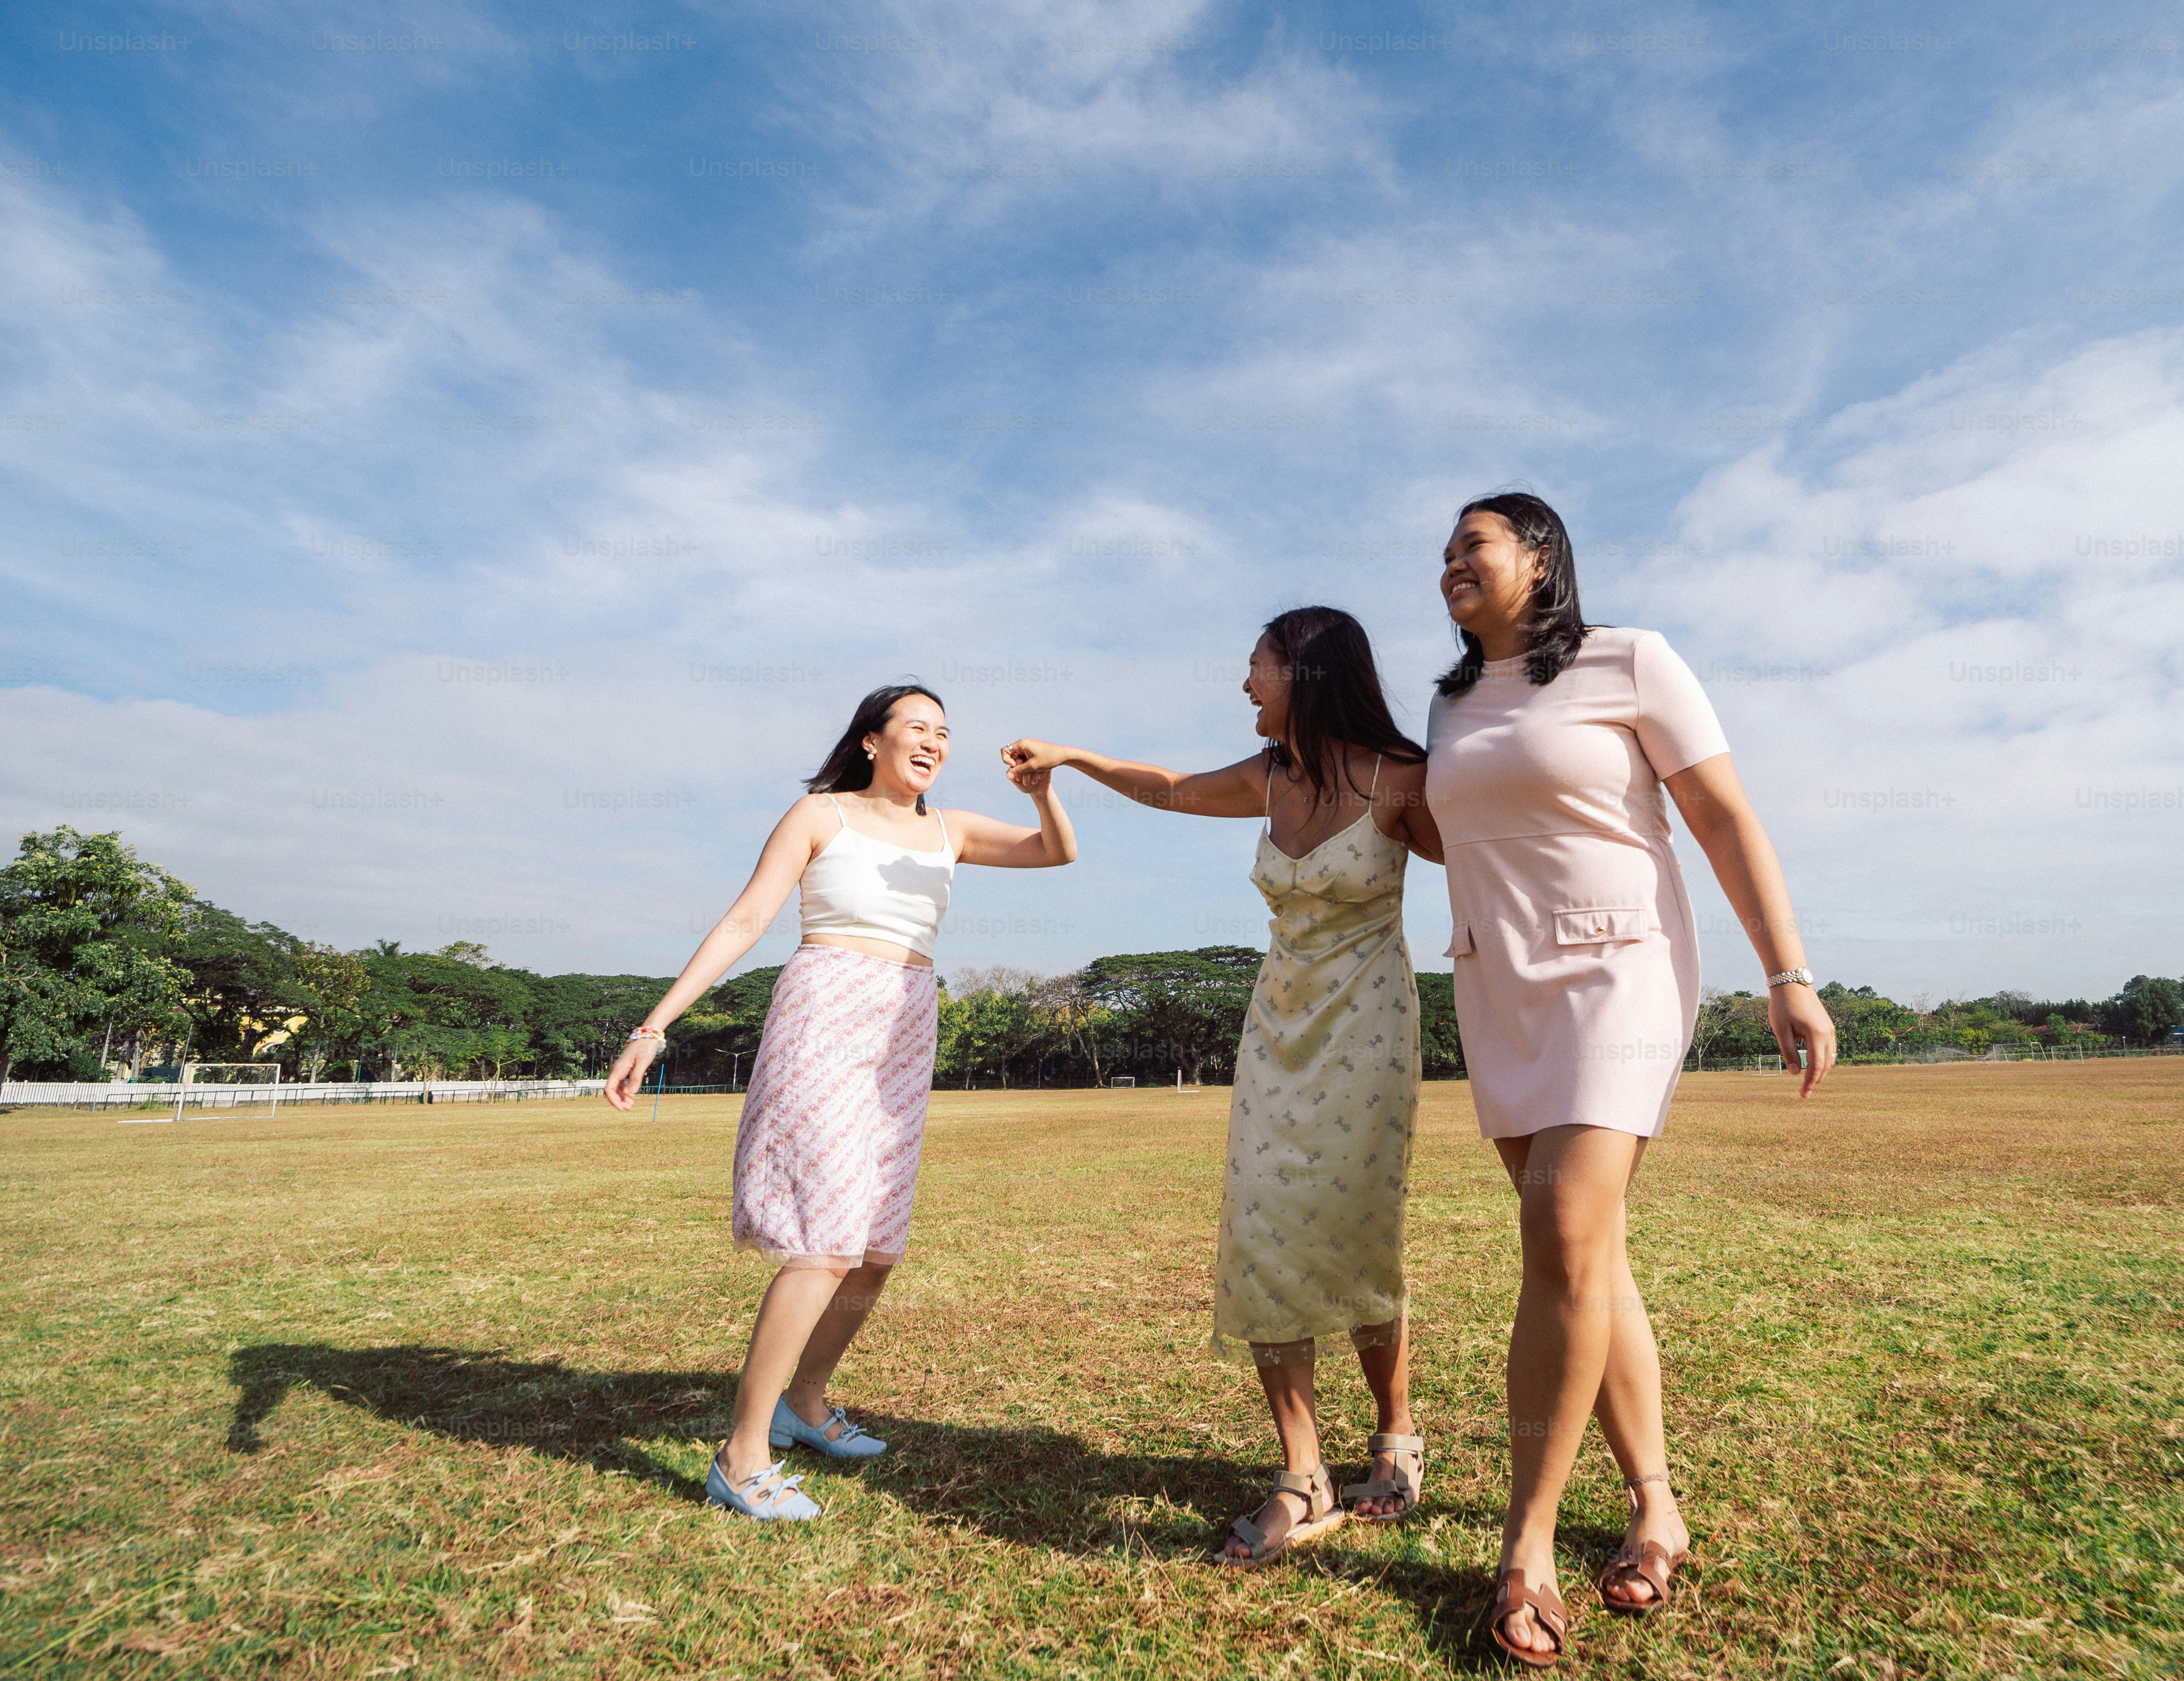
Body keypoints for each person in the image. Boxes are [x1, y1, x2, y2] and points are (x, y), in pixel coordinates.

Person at [1424, 493, 1837, 1666]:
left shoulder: (1632, 660)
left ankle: (1526, 1544)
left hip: (1620, 969)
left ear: (1539, 557)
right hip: (1497, 986)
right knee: (1586, 1256)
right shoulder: (1450, 704)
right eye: (1444, 551)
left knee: (1560, 1228)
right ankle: (1658, 1507)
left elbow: (1719, 815)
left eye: (1473, 544)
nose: (1450, 563)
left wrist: (1787, 972)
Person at [1001, 606, 1445, 1567]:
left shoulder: (1401, 781)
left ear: (1309, 674)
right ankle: (1302, 1471)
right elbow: (1165, 788)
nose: (1246, 686)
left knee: (1360, 1230)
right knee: (1262, 1229)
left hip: (1368, 1037)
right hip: (1277, 1032)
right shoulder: (1270, 778)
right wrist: (1073, 757)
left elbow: (1492, 854)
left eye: (1258, 668)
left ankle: (1396, 1437)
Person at [605, 682, 1076, 1521]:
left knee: (876, 1247)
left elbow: (1055, 854)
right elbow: (748, 918)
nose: (932, 741)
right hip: (825, 1010)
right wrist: (654, 1027)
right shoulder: (821, 816)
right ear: (871, 740)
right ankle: (742, 1454)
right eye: (915, 727)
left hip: (905, 1021)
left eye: (943, 732)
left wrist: (1045, 791)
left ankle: (805, 1404)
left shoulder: (951, 829)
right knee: (822, 1242)